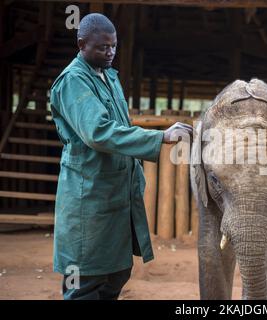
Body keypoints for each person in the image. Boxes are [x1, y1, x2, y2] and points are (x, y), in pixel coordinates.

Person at [49, 13, 192, 300]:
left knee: (117, 272)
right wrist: (159, 136)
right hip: (88, 197)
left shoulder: (109, 77)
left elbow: (121, 127)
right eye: (103, 47)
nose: (110, 52)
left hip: (115, 195)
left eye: (113, 46)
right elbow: (98, 132)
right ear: (81, 44)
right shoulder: (73, 81)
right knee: (85, 280)